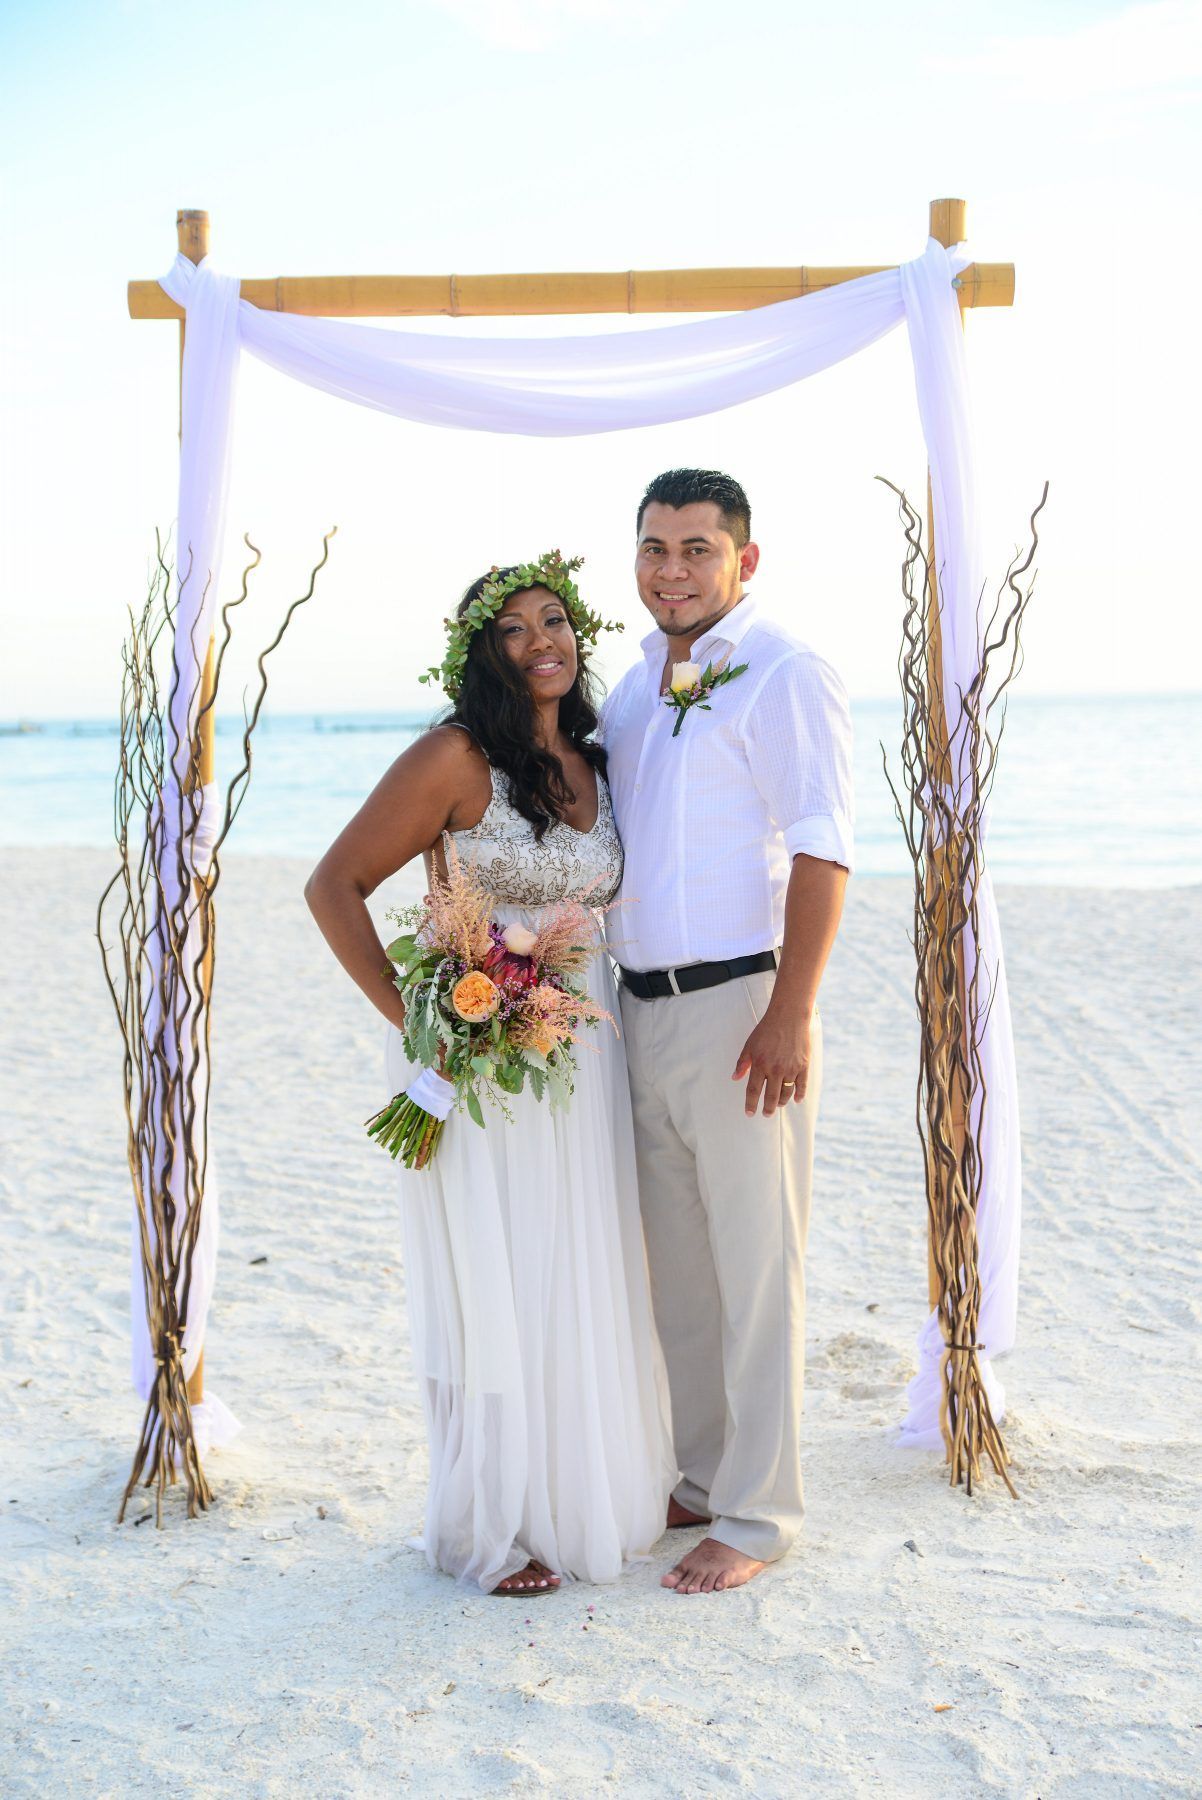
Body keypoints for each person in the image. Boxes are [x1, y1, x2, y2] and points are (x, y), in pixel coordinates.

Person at [305, 554, 675, 1596]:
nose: (539, 641)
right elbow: (334, 883)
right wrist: (422, 1021)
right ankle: (493, 1523)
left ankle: (582, 1493)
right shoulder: (454, 757)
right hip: (475, 1060)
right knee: (495, 1271)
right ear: (480, 654)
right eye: (511, 629)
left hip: (581, 1053)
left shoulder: (600, 759)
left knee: (584, 1263)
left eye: (553, 620)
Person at [601, 469, 854, 1596]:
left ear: (743, 561)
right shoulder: (630, 686)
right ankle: (699, 1475)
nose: (671, 569)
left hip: (741, 1008)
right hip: (635, 1010)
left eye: (695, 550)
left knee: (758, 1267)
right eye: (654, 549)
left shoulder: (784, 674)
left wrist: (790, 1011)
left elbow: (822, 847)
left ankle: (756, 1515)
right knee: (679, 1277)